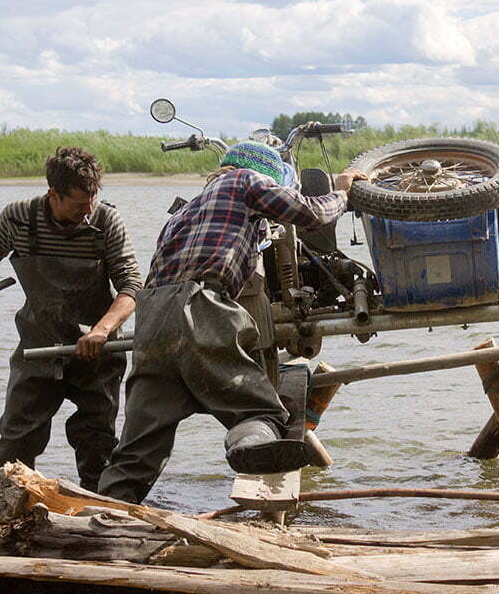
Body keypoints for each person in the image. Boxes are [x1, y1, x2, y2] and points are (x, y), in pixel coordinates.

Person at [97, 141, 363, 503]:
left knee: (138, 450)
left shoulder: (185, 211)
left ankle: (104, 516)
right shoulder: (245, 180)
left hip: (153, 320)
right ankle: (250, 452)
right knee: (258, 410)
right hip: (201, 305)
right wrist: (342, 190)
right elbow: (311, 214)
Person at [0, 146, 142, 491]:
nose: (87, 211)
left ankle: (102, 512)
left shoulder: (106, 221)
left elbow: (132, 285)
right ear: (53, 195)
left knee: (96, 441)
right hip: (38, 344)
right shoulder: (19, 217)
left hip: (96, 350)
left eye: (91, 201)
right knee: (17, 438)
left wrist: (102, 331)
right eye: (77, 205)